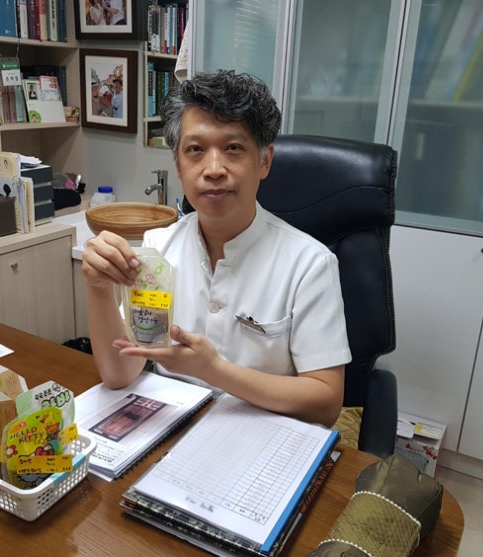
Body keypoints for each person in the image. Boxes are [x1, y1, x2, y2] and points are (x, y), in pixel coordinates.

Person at [81, 70, 350, 427]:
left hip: (263, 435)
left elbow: (325, 402)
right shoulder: (157, 249)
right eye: (195, 150)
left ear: (264, 161)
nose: (213, 169)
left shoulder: (309, 264)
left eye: (233, 148)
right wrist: (99, 288)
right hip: (170, 429)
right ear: (178, 166)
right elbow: (119, 374)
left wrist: (214, 370)